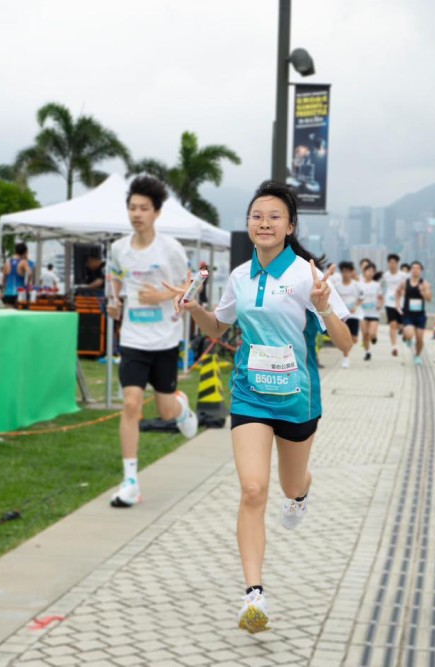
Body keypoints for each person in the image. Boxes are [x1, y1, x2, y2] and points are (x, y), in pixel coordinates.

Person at [163, 179, 352, 635]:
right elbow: (220, 326)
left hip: (297, 399)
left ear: (289, 226)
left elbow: (346, 344)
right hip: (249, 394)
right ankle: (254, 597)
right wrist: (192, 307)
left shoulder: (310, 276)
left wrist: (325, 309)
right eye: (256, 216)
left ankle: (302, 492)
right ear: (248, 225)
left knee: (289, 484)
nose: (263, 223)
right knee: (252, 490)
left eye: (273, 217)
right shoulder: (242, 277)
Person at [104, 175, 198, 509]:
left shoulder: (170, 249)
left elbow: (192, 285)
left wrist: (162, 294)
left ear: (156, 212)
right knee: (130, 404)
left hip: (165, 340)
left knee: (165, 410)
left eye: (143, 208)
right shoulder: (119, 249)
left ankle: (182, 406)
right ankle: (130, 481)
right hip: (132, 339)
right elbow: (115, 278)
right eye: (132, 208)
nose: (137, 214)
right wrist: (114, 301)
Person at [396, 260, 433, 364]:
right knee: (408, 334)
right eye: (413, 268)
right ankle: (407, 338)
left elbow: (429, 299)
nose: (415, 270)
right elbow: (397, 292)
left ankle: (417, 356)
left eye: (417, 268)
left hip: (420, 315)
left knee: (420, 338)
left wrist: (423, 292)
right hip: (408, 314)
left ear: (421, 271)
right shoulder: (405, 283)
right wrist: (398, 303)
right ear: (410, 270)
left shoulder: (424, 284)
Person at [334, 261, 362, 368]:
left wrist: (356, 305)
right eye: (343, 272)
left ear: (351, 272)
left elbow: (362, 297)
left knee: (354, 339)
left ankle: (347, 348)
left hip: (354, 315)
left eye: (348, 272)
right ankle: (346, 358)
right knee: (345, 337)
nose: (346, 274)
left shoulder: (356, 285)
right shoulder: (337, 286)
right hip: (343, 315)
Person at [381, 253, 407, 357]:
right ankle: (394, 347)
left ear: (397, 263)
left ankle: (403, 330)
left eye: (394, 263)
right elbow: (380, 286)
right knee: (392, 325)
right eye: (390, 262)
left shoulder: (403, 276)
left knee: (400, 325)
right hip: (389, 303)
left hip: (401, 303)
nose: (392, 264)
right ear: (388, 263)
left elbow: (407, 288)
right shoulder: (385, 275)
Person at [358, 261, 383, 361]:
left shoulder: (376, 285)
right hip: (362, 313)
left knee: (371, 333)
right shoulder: (359, 285)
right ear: (364, 272)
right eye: (368, 271)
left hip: (374, 313)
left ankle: (374, 337)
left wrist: (380, 304)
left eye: (373, 271)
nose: (370, 273)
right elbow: (357, 298)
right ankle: (367, 352)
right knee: (365, 334)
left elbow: (380, 297)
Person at [2, 242, 34, 306]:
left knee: (9, 313)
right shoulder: (23, 262)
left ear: (15, 251)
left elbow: (4, 279)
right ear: (25, 252)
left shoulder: (7, 262)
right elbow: (30, 273)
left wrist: (2, 291)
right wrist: (27, 284)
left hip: (8, 293)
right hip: (19, 293)